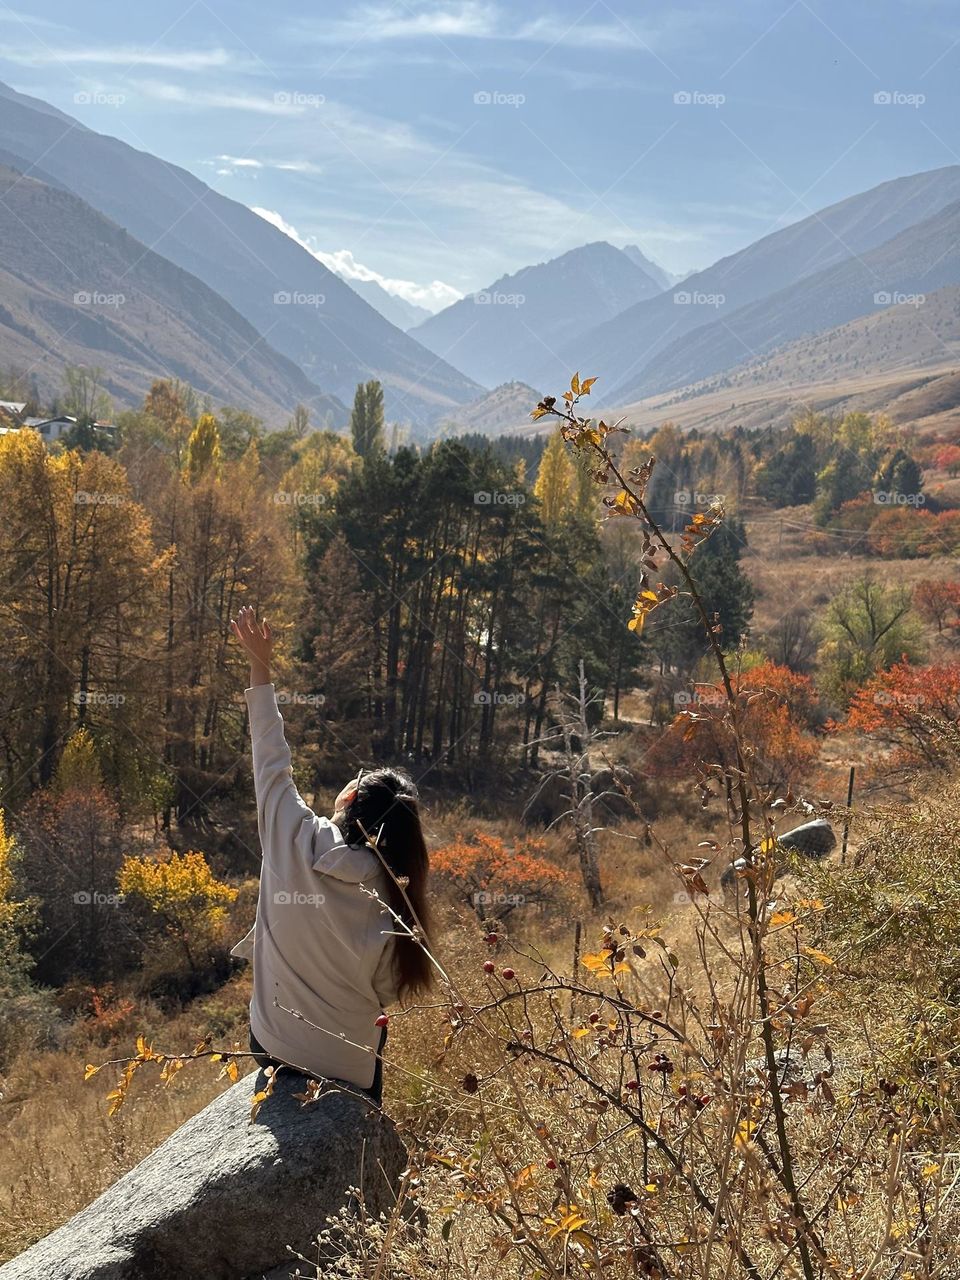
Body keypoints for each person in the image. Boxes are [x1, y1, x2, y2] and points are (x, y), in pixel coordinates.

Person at [229, 605, 433, 1105]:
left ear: (347, 803)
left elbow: (270, 759)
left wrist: (261, 667)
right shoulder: (396, 892)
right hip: (350, 1068)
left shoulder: (292, 836)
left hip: (272, 1047)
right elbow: (384, 994)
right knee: (376, 1038)